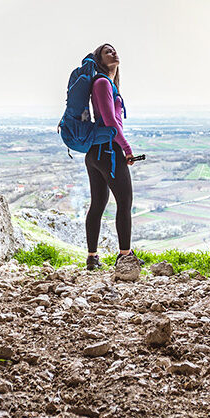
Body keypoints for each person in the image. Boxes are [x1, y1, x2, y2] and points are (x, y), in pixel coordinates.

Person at [85, 43, 141, 281]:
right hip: (108, 151)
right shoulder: (102, 83)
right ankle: (125, 256)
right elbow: (110, 121)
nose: (114, 53)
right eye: (107, 51)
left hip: (95, 152)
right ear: (99, 59)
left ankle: (92, 257)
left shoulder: (104, 84)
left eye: (115, 50)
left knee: (98, 203)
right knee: (124, 201)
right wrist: (126, 148)